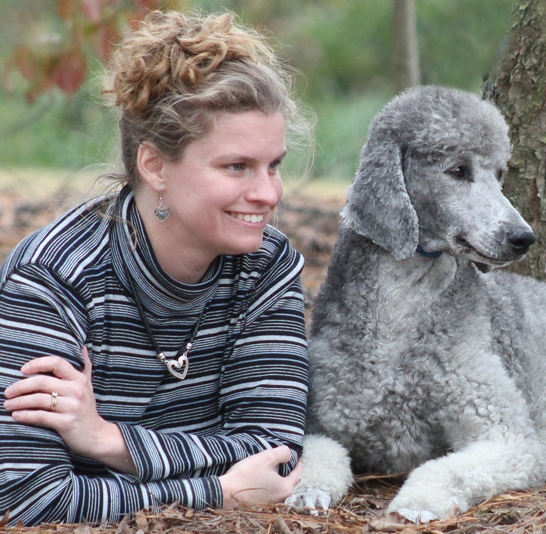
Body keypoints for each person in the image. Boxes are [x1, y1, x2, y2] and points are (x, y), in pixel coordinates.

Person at [0, 9, 312, 526]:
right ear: (155, 166)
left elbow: (273, 452)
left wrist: (109, 441)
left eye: (273, 165)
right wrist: (217, 492)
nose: (268, 193)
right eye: (237, 166)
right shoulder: (52, 279)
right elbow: (26, 496)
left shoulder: (266, 266)